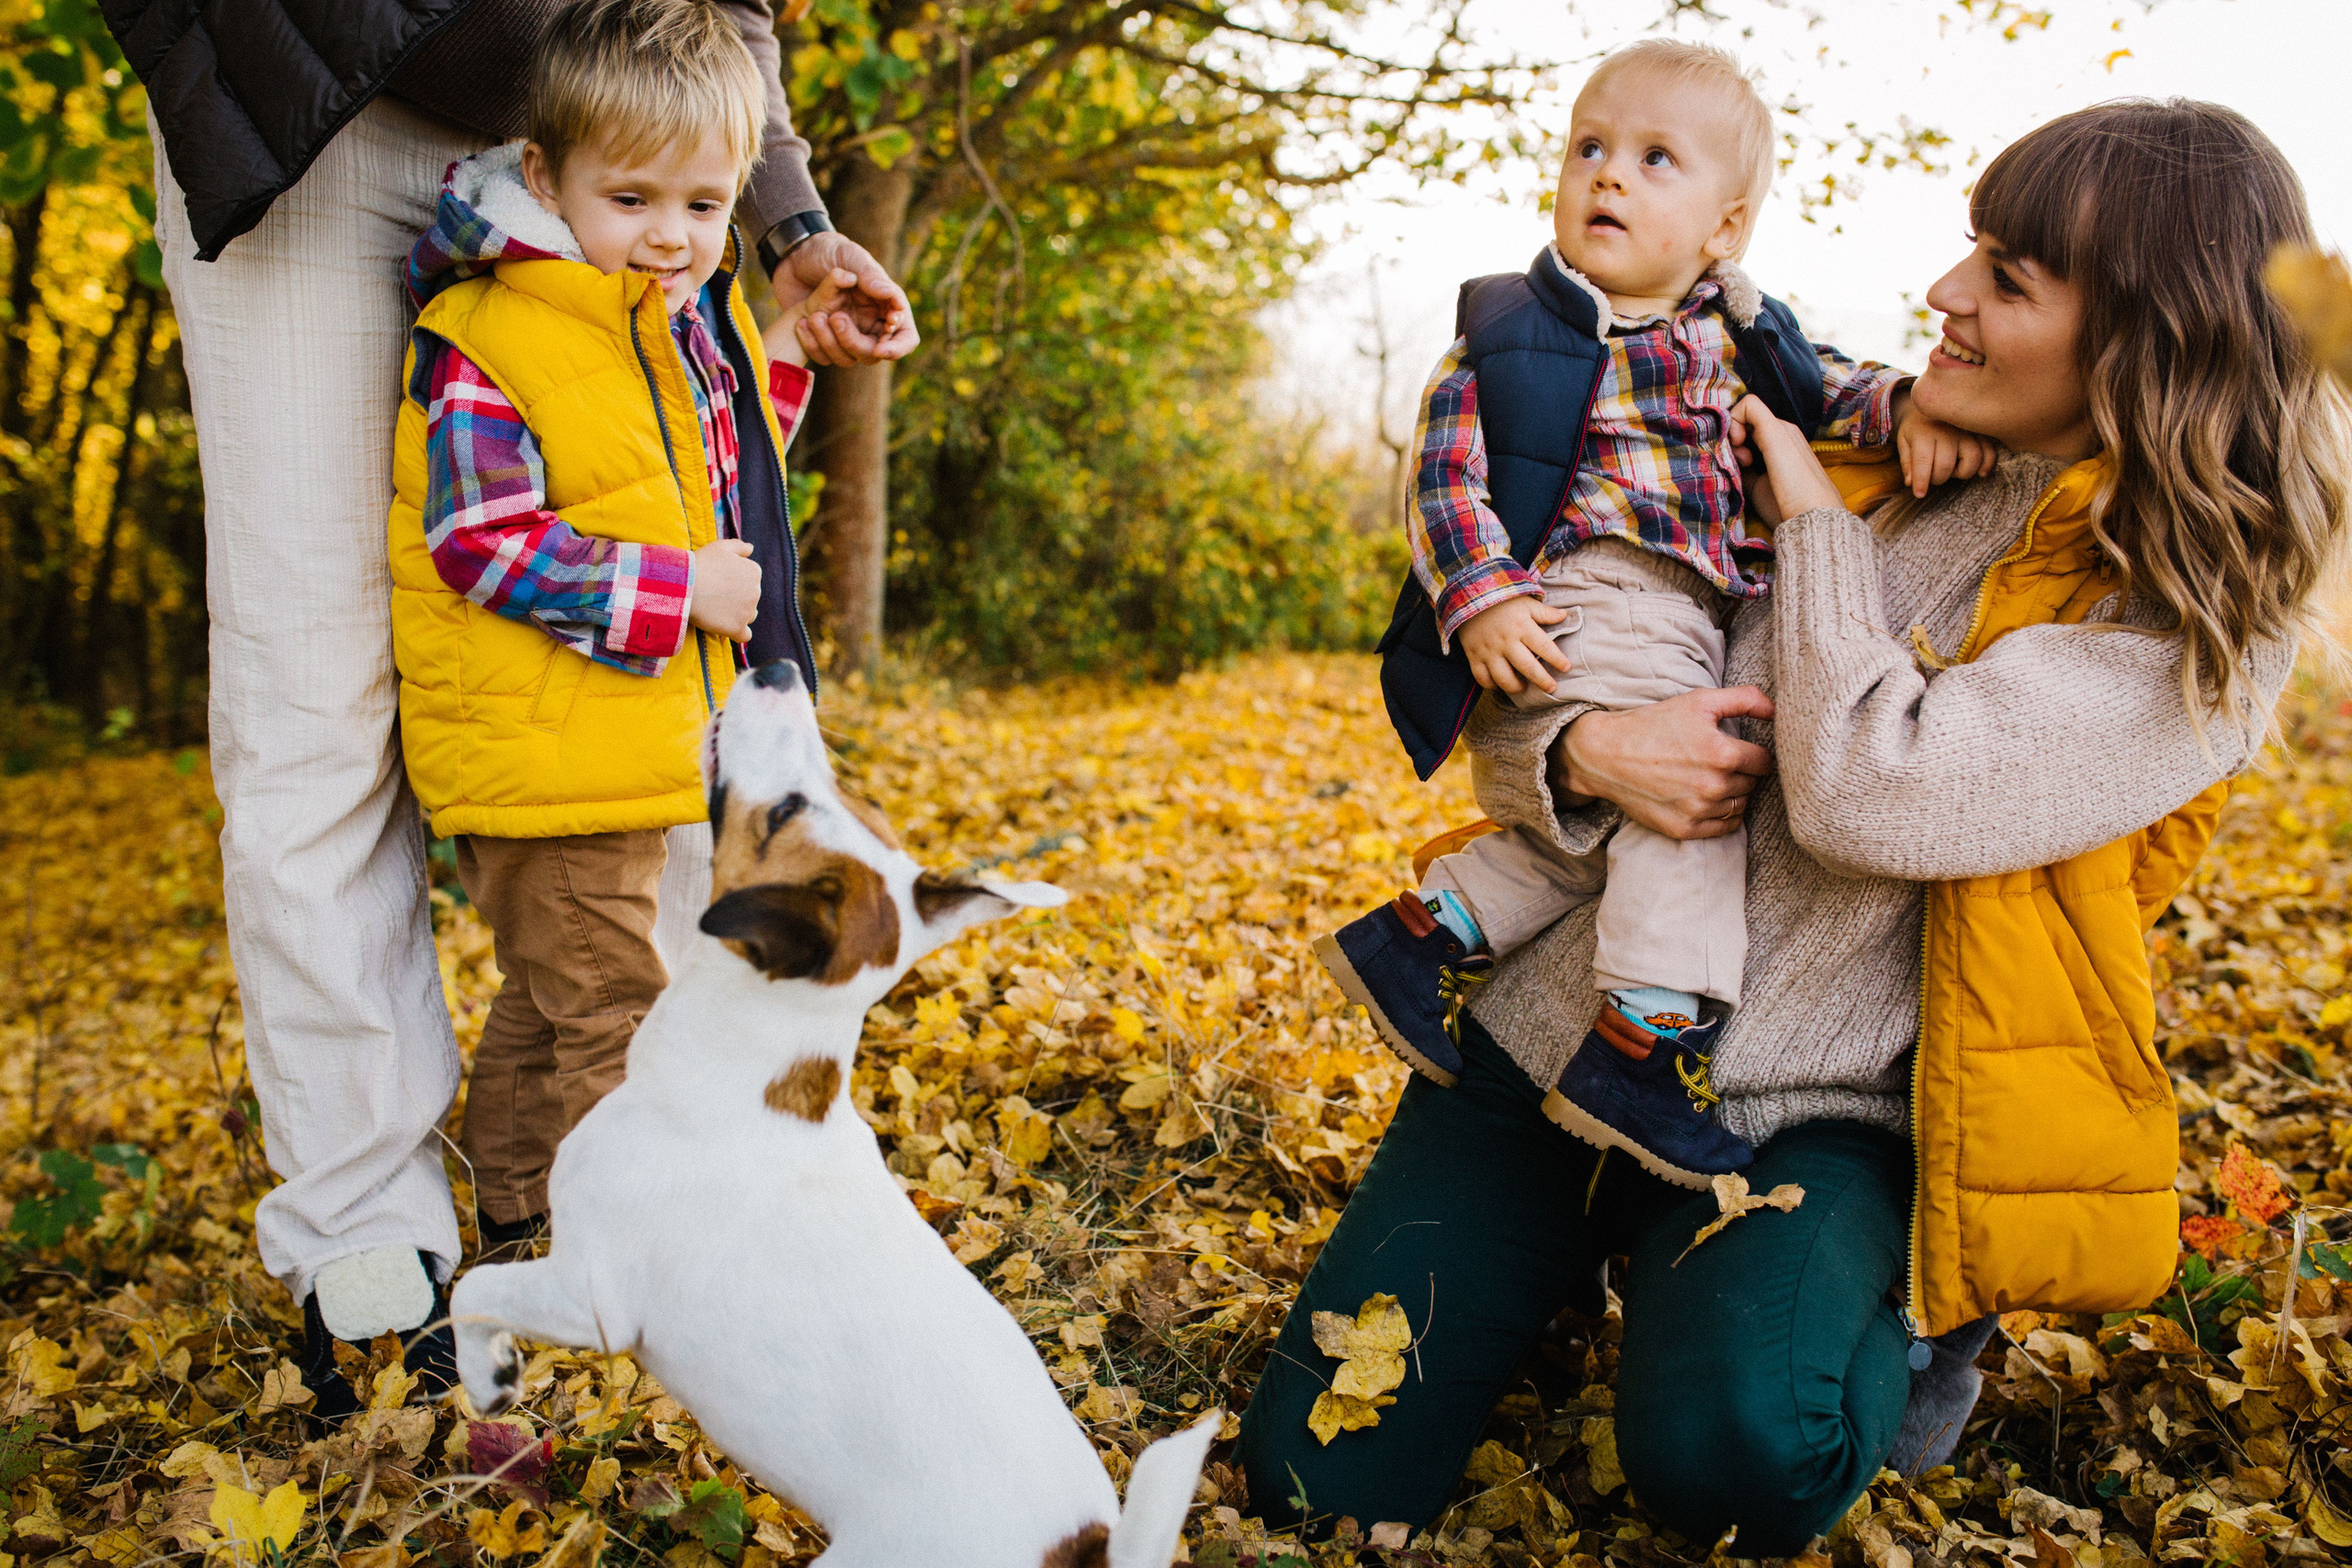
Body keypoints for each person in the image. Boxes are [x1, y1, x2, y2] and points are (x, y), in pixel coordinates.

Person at [1242, 97, 2350, 1552]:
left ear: (2146, 343)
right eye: (1971, 253)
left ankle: (1859, 1320)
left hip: (1820, 1109)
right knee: (1314, 1479)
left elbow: (1869, 788)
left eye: (2007, 281)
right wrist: (1584, 749)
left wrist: (1820, 523)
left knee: (1739, 1449)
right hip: (1567, 1024)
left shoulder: (2188, 629)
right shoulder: (1855, 424)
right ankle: (1581, 1235)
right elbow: (1575, 618)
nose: (1944, 298)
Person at [111, 0, 918, 1408]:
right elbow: (484, 540)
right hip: (305, 124)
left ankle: (613, 1185)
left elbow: (728, 12)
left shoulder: (663, 222)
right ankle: (366, 1228)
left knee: (659, 628)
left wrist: (781, 220)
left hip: (617, 129)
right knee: (313, 690)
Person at [1314, 40, 1991, 1187]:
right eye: (1589, 148)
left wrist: (1921, 405)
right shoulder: (1515, 328)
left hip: (1687, 607)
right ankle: (1646, 1040)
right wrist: (1479, 592)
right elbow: (1446, 473)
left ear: (1723, 228)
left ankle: (1425, 937)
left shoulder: (1741, 334)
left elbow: (1834, 389)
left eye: (1652, 159)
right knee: (1692, 808)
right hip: (1595, 584)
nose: (1606, 177)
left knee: (1614, 825)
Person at [387, 0, 873, 1360]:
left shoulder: (673, 315)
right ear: (543, 179)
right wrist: (680, 594)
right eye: (632, 195)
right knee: (619, 1015)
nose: (671, 229)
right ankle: (645, 1273)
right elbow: (476, 539)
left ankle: (515, 1205)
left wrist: (775, 355)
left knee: (553, 1003)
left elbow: (714, 475)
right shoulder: (495, 329)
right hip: (546, 756)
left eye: (705, 202)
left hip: (619, 743)